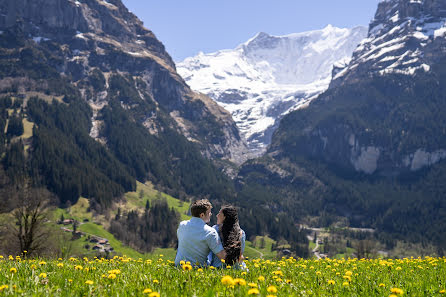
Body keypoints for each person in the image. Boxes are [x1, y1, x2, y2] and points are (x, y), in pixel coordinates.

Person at [175, 199, 226, 267]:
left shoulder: (182, 225)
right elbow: (222, 256)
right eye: (209, 212)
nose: (211, 214)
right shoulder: (210, 232)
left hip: (179, 265)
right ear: (202, 215)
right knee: (213, 249)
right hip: (197, 267)